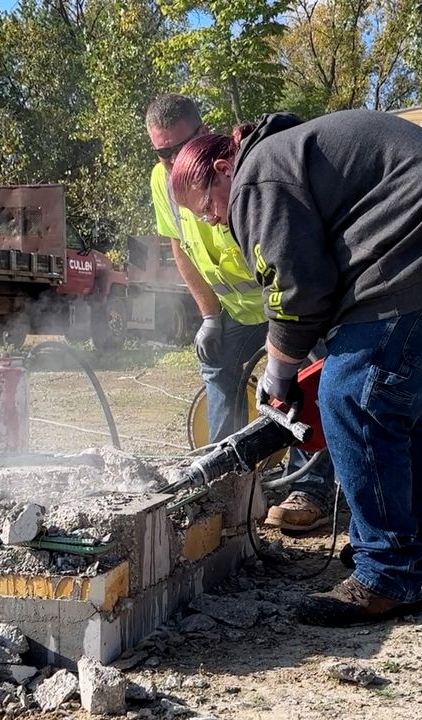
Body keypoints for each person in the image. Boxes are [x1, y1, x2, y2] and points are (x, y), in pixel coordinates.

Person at [170, 109, 422, 626]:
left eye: (208, 208)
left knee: (352, 398)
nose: (215, 221)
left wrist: (279, 372)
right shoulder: (284, 156)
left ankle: (385, 575)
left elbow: (297, 291)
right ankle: (420, 543)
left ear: (225, 167)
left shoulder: (256, 179)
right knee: (397, 405)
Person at [146, 93, 336, 534]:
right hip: (233, 306)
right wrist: (209, 315)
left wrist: (285, 340)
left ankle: (310, 487)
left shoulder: (239, 167)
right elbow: (180, 247)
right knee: (217, 367)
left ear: (203, 132)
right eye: (162, 152)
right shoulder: (164, 182)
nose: (173, 160)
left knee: (303, 380)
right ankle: (225, 477)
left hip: (283, 298)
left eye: (179, 147)